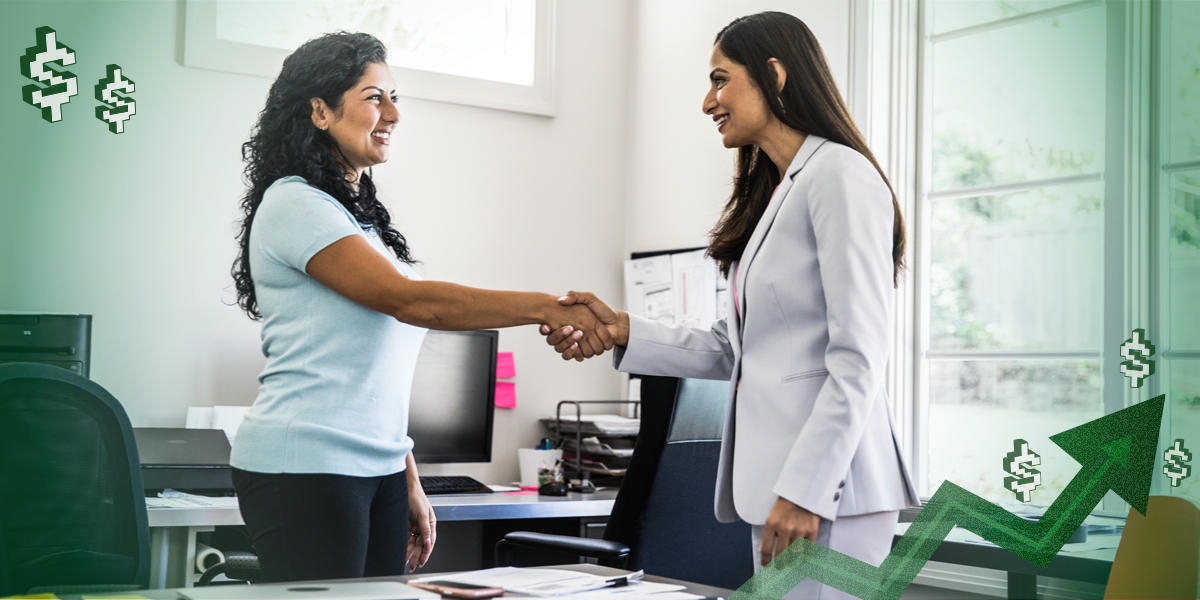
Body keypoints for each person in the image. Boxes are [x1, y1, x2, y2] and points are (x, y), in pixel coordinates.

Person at [542, 12, 918, 600]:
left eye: (720, 80)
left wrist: (808, 491)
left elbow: (860, 355)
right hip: (782, 489)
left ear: (773, 73)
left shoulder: (839, 176)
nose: (707, 102)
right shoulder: (782, 189)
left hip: (830, 493)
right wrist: (621, 330)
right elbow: (733, 347)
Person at [227, 32, 612, 583]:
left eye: (395, 97)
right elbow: (411, 302)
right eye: (373, 97)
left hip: (377, 467)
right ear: (319, 111)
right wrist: (549, 307)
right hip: (306, 464)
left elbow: (375, 373)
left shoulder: (362, 224)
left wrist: (406, 475)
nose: (393, 114)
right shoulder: (294, 203)